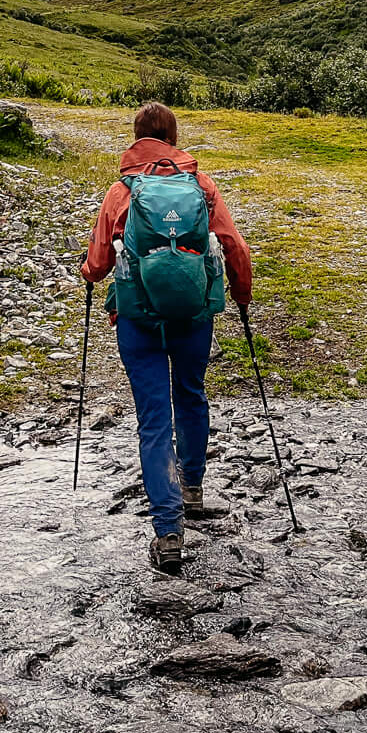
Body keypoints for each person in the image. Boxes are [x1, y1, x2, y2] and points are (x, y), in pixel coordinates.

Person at [81, 101, 252, 571]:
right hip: (194, 315)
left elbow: (97, 265)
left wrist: (88, 272)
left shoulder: (121, 192)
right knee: (192, 396)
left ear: (136, 138)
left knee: (154, 418)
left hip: (138, 318)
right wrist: (242, 292)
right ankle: (193, 491)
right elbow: (233, 245)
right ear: (173, 138)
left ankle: (168, 531)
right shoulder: (200, 186)